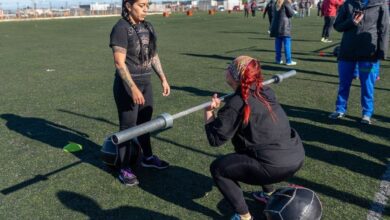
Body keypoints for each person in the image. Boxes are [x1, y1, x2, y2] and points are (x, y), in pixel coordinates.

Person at [204, 56, 305, 220]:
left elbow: (215, 139)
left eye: (229, 68)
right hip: (296, 156)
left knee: (218, 169)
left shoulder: (236, 103)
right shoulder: (266, 91)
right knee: (259, 147)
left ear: (235, 76)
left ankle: (244, 216)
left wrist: (209, 111)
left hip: (274, 166)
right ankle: (269, 194)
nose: (226, 70)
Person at [109, 0, 171, 186]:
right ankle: (124, 168)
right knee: (128, 128)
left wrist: (162, 78)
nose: (145, 9)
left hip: (146, 84)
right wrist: (133, 88)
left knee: (146, 124)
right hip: (127, 87)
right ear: (128, 6)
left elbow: (152, 54)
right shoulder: (120, 28)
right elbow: (119, 63)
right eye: (141, 5)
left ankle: (148, 157)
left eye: (147, 5)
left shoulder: (148, 26)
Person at [328, 0, 389, 124]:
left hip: (368, 55)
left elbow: (384, 29)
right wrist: (352, 22)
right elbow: (337, 26)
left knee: (367, 84)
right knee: (344, 82)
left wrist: (382, 52)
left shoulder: (380, 4)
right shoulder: (348, 4)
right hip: (347, 52)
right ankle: (340, 109)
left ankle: (367, 113)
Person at [270, 0, 297, 65]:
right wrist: (294, 11)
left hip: (277, 27)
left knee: (278, 45)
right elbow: (291, 14)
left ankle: (278, 60)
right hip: (285, 27)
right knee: (287, 45)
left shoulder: (276, 3)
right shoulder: (286, 3)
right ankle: (288, 61)